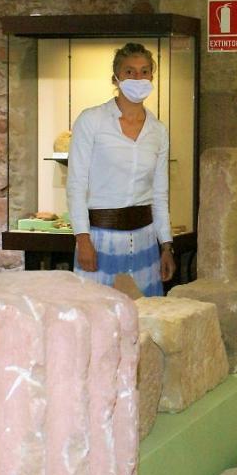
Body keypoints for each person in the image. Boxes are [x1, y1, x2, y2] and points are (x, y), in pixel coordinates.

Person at [66, 42, 176, 296]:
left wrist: (166, 246)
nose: (138, 77)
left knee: (145, 319)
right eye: (129, 71)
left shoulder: (157, 131)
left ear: (152, 76)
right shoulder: (91, 120)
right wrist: (82, 239)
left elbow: (159, 193)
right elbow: (76, 184)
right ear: (115, 77)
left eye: (144, 71)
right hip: (100, 238)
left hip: (145, 240)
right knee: (99, 315)